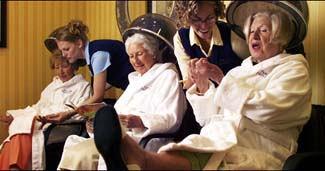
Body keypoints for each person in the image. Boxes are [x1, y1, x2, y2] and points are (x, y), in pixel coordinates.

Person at [93, 8, 312, 170]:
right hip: (221, 138)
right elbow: (208, 118)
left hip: (259, 146)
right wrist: (203, 86)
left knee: (212, 160)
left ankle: (139, 160)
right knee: (199, 149)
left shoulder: (294, 69)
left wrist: (220, 78)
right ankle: (139, 159)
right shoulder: (241, 71)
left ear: (280, 36)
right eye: (251, 30)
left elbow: (271, 109)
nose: (253, 36)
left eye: (262, 30)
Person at [56, 32, 187, 170]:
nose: (135, 60)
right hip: (120, 137)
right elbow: (116, 113)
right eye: (131, 56)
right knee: (74, 150)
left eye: (140, 53)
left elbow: (172, 118)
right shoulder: (135, 80)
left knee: (82, 154)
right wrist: (95, 125)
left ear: (153, 53)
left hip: (142, 140)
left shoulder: (167, 76)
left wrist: (141, 121)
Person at [0, 51, 91, 170]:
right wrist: (15, 116)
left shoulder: (83, 86)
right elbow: (38, 107)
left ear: (74, 65)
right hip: (43, 121)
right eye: (57, 67)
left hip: (64, 125)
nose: (60, 71)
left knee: (23, 130)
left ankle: (15, 166)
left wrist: (55, 115)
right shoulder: (52, 86)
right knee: (18, 129)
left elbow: (82, 112)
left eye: (65, 66)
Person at [44, 19, 134, 122]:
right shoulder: (92, 55)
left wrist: (69, 113)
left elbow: (98, 97)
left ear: (79, 43)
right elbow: (107, 81)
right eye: (61, 51)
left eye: (66, 49)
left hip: (143, 86)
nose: (64, 55)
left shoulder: (97, 55)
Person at [173, 0, 244, 89]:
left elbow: (250, 75)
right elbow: (188, 87)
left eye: (210, 18)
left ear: (217, 14)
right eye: (196, 20)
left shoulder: (231, 33)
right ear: (187, 18)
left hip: (233, 98)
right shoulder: (181, 38)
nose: (204, 26)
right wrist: (193, 76)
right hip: (201, 100)